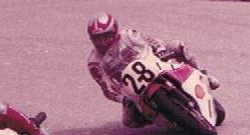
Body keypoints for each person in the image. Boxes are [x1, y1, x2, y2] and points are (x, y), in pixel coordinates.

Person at [86, 12, 224, 127]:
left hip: (153, 63)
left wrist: (161, 50)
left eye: (106, 36)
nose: (102, 41)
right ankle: (163, 115)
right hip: (132, 88)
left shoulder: (129, 35)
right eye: (97, 38)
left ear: (115, 31)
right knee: (130, 122)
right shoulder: (94, 62)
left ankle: (201, 75)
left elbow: (151, 41)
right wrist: (122, 98)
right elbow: (106, 89)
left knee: (177, 46)